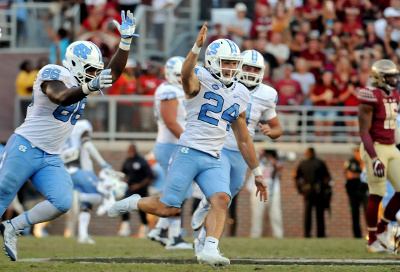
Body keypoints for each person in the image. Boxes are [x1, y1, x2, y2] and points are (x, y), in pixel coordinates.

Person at [109, 24, 268, 268]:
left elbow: (244, 138)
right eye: (225, 62)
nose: (230, 68)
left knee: (222, 199)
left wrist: (257, 173)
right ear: (213, 61)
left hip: (214, 157)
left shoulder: (241, 93)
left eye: (233, 63)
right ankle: (132, 202)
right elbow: (185, 76)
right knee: (167, 208)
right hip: (188, 152)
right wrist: (196, 47)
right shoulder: (199, 78)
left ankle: (209, 249)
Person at [0, 10, 138, 261]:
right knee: (2, 193)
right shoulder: (53, 72)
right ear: (74, 64)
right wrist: (87, 87)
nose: (95, 75)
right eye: (90, 70)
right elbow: (60, 96)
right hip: (25, 145)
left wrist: (125, 42)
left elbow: (113, 75)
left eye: (95, 71)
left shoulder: (85, 81)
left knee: (62, 201)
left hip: (51, 155)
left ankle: (13, 226)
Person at [191, 49, 282, 254]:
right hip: (220, 145)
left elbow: (278, 128)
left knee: (228, 196)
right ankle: (209, 233)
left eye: (255, 69)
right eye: (247, 67)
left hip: (242, 151)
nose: (250, 72)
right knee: (220, 196)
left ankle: (203, 238)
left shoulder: (267, 94)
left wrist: (271, 130)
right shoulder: (226, 85)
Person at [148, 56, 192, 249]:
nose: (182, 78)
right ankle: (173, 237)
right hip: (170, 146)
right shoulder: (168, 90)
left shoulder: (174, 90)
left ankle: (159, 229)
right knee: (178, 190)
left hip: (174, 145)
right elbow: (171, 122)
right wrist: (191, 142)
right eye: (178, 75)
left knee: (178, 190)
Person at [357, 59, 400, 253]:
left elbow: (392, 126)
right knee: (377, 194)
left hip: (391, 146)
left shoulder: (395, 94)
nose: (394, 79)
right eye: (389, 76)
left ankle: (383, 228)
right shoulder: (370, 96)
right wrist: (374, 158)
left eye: (395, 75)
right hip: (374, 146)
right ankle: (372, 239)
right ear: (379, 78)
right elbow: (364, 132)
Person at [61, 119, 115, 244]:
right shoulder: (82, 125)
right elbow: (88, 145)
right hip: (82, 171)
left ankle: (83, 235)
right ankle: (78, 197)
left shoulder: (62, 129)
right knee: (103, 195)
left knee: (87, 205)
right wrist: (103, 163)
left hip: (67, 172)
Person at [294, 147, 332, 238]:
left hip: (307, 191)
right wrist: (327, 190)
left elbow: (296, 178)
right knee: (319, 214)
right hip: (318, 191)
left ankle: (307, 234)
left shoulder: (303, 164)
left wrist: (300, 190)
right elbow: (327, 178)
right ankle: (320, 234)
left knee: (308, 213)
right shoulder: (320, 163)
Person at [118, 144, 153, 237]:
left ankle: (145, 228)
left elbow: (149, 177)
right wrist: (125, 180)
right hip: (130, 189)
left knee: (141, 209)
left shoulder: (142, 162)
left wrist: (139, 185)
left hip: (141, 190)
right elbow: (124, 173)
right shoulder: (127, 161)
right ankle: (125, 227)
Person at [344, 146, 368, 238]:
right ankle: (357, 235)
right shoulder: (350, 162)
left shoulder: (366, 161)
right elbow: (350, 175)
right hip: (353, 191)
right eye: (356, 152)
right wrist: (362, 175)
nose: (357, 154)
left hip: (364, 191)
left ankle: (370, 234)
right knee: (355, 214)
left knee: (368, 213)